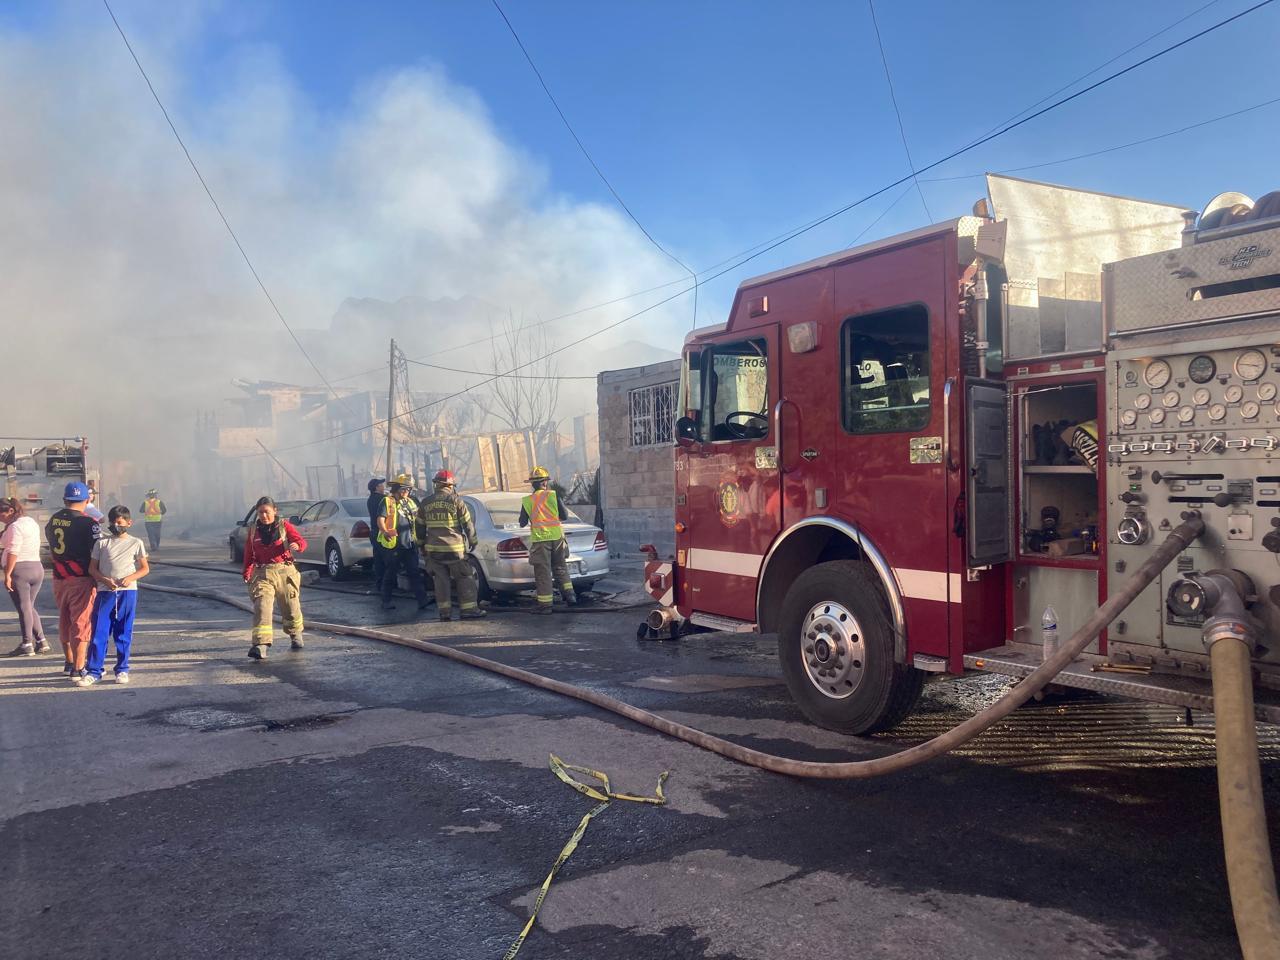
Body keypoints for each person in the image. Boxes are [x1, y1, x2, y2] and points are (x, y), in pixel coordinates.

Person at [84, 506, 149, 686]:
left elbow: (144, 568)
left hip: (127, 593)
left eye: (119, 522)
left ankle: (122, 669)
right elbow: (92, 569)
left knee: (123, 632)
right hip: (105, 592)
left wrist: (130, 578)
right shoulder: (102, 543)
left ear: (129, 523)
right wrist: (104, 579)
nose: (115, 525)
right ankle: (94, 670)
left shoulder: (136, 543)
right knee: (99, 631)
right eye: (113, 522)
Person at [45, 481, 101, 681]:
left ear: (65, 500)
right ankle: (79, 667)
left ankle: (68, 662)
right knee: (81, 621)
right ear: (87, 500)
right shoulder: (88, 523)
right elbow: (97, 551)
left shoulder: (54, 519)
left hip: (59, 577)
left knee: (65, 619)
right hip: (81, 578)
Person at [242, 496, 307, 660]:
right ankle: (260, 645)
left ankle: (295, 634)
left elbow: (300, 541)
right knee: (262, 605)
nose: (263, 516)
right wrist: (247, 572)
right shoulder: (253, 530)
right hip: (262, 573)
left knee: (291, 607)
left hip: (285, 572)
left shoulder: (284, 526)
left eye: (266, 512)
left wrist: (297, 546)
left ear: (275, 511)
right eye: (260, 513)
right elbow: (249, 553)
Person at [416, 470, 485, 622]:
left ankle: (444, 612)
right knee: (464, 577)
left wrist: (421, 545)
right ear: (450, 486)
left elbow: (419, 527)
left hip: (434, 550)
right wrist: (473, 541)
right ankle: (469, 610)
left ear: (436, 484)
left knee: (441, 581)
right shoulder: (456, 501)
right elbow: (468, 524)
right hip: (455, 550)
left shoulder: (425, 503)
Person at [518, 467, 576, 615]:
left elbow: (522, 522)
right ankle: (570, 596)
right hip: (557, 538)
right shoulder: (553, 496)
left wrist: (532, 513)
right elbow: (564, 516)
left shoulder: (528, 500)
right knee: (561, 567)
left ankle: (545, 605)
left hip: (541, 540)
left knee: (543, 572)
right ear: (545, 482)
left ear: (532, 484)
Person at [1, 497, 49, 657]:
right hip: (36, 567)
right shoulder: (30, 522)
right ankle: (41, 641)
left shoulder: (15, 527)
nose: (1, 518)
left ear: (11, 511)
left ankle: (27, 643)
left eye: (2, 514)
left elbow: (14, 551)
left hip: (20, 570)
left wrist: (7, 574)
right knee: (29, 606)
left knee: (24, 607)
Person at [377, 476, 429, 613]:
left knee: (414, 572)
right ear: (397, 489)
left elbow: (418, 518)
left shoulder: (410, 502)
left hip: (409, 544)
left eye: (409, 490)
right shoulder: (387, 502)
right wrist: (385, 532)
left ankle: (422, 600)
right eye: (405, 489)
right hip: (393, 544)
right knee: (391, 573)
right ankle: (386, 601)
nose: (407, 492)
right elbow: (380, 519)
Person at [366, 477, 387, 590]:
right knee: (386, 560)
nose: (383, 487)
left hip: (374, 532)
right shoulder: (383, 499)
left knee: (378, 559)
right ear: (376, 487)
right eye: (381, 485)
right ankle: (387, 584)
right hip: (383, 532)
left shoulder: (370, 499)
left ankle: (379, 583)